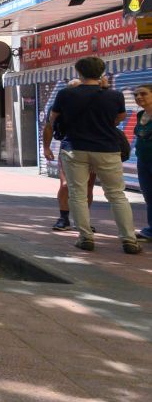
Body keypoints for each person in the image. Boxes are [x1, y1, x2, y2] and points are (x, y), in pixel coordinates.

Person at [44, 56, 140, 254]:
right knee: (116, 195)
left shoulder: (65, 94)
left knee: (77, 194)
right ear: (102, 72)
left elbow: (52, 120)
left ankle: (85, 237)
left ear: (79, 72)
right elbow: (119, 118)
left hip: (75, 148)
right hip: (107, 149)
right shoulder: (115, 95)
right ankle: (129, 240)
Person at [42, 78, 96, 231]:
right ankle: (63, 218)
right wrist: (46, 148)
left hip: (93, 149)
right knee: (65, 184)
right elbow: (49, 126)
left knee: (88, 186)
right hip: (69, 148)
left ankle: (83, 220)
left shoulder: (93, 104)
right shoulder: (58, 106)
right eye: (73, 89)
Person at [134, 84, 152, 240]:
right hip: (143, 160)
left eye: (143, 93)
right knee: (149, 195)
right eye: (136, 95)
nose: (139, 97)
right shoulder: (140, 115)